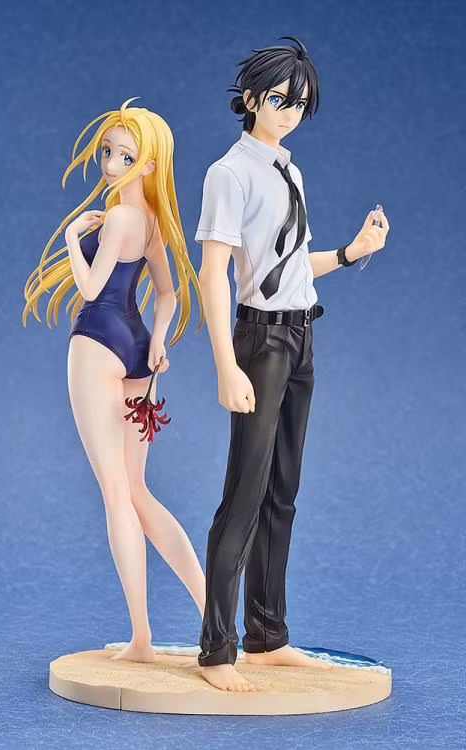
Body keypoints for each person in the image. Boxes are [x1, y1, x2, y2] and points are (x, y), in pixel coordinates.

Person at [195, 38, 389, 692]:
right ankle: (217, 649)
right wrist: (226, 363)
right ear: (251, 98)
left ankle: (266, 635)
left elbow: (290, 266)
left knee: (283, 492)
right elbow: (214, 274)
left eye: (300, 104)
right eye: (280, 99)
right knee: (244, 495)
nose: (289, 112)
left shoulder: (289, 173)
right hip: (261, 343)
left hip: (302, 336)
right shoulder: (229, 174)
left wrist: (352, 251)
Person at [23, 99, 205, 663]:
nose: (109, 164)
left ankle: (143, 639)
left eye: (125, 156)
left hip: (98, 342)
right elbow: (168, 293)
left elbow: (89, 288)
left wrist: (72, 238)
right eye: (107, 152)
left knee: (116, 494)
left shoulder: (122, 218)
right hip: (135, 346)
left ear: (149, 164)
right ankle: (214, 617)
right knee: (139, 491)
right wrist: (158, 340)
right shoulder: (151, 220)